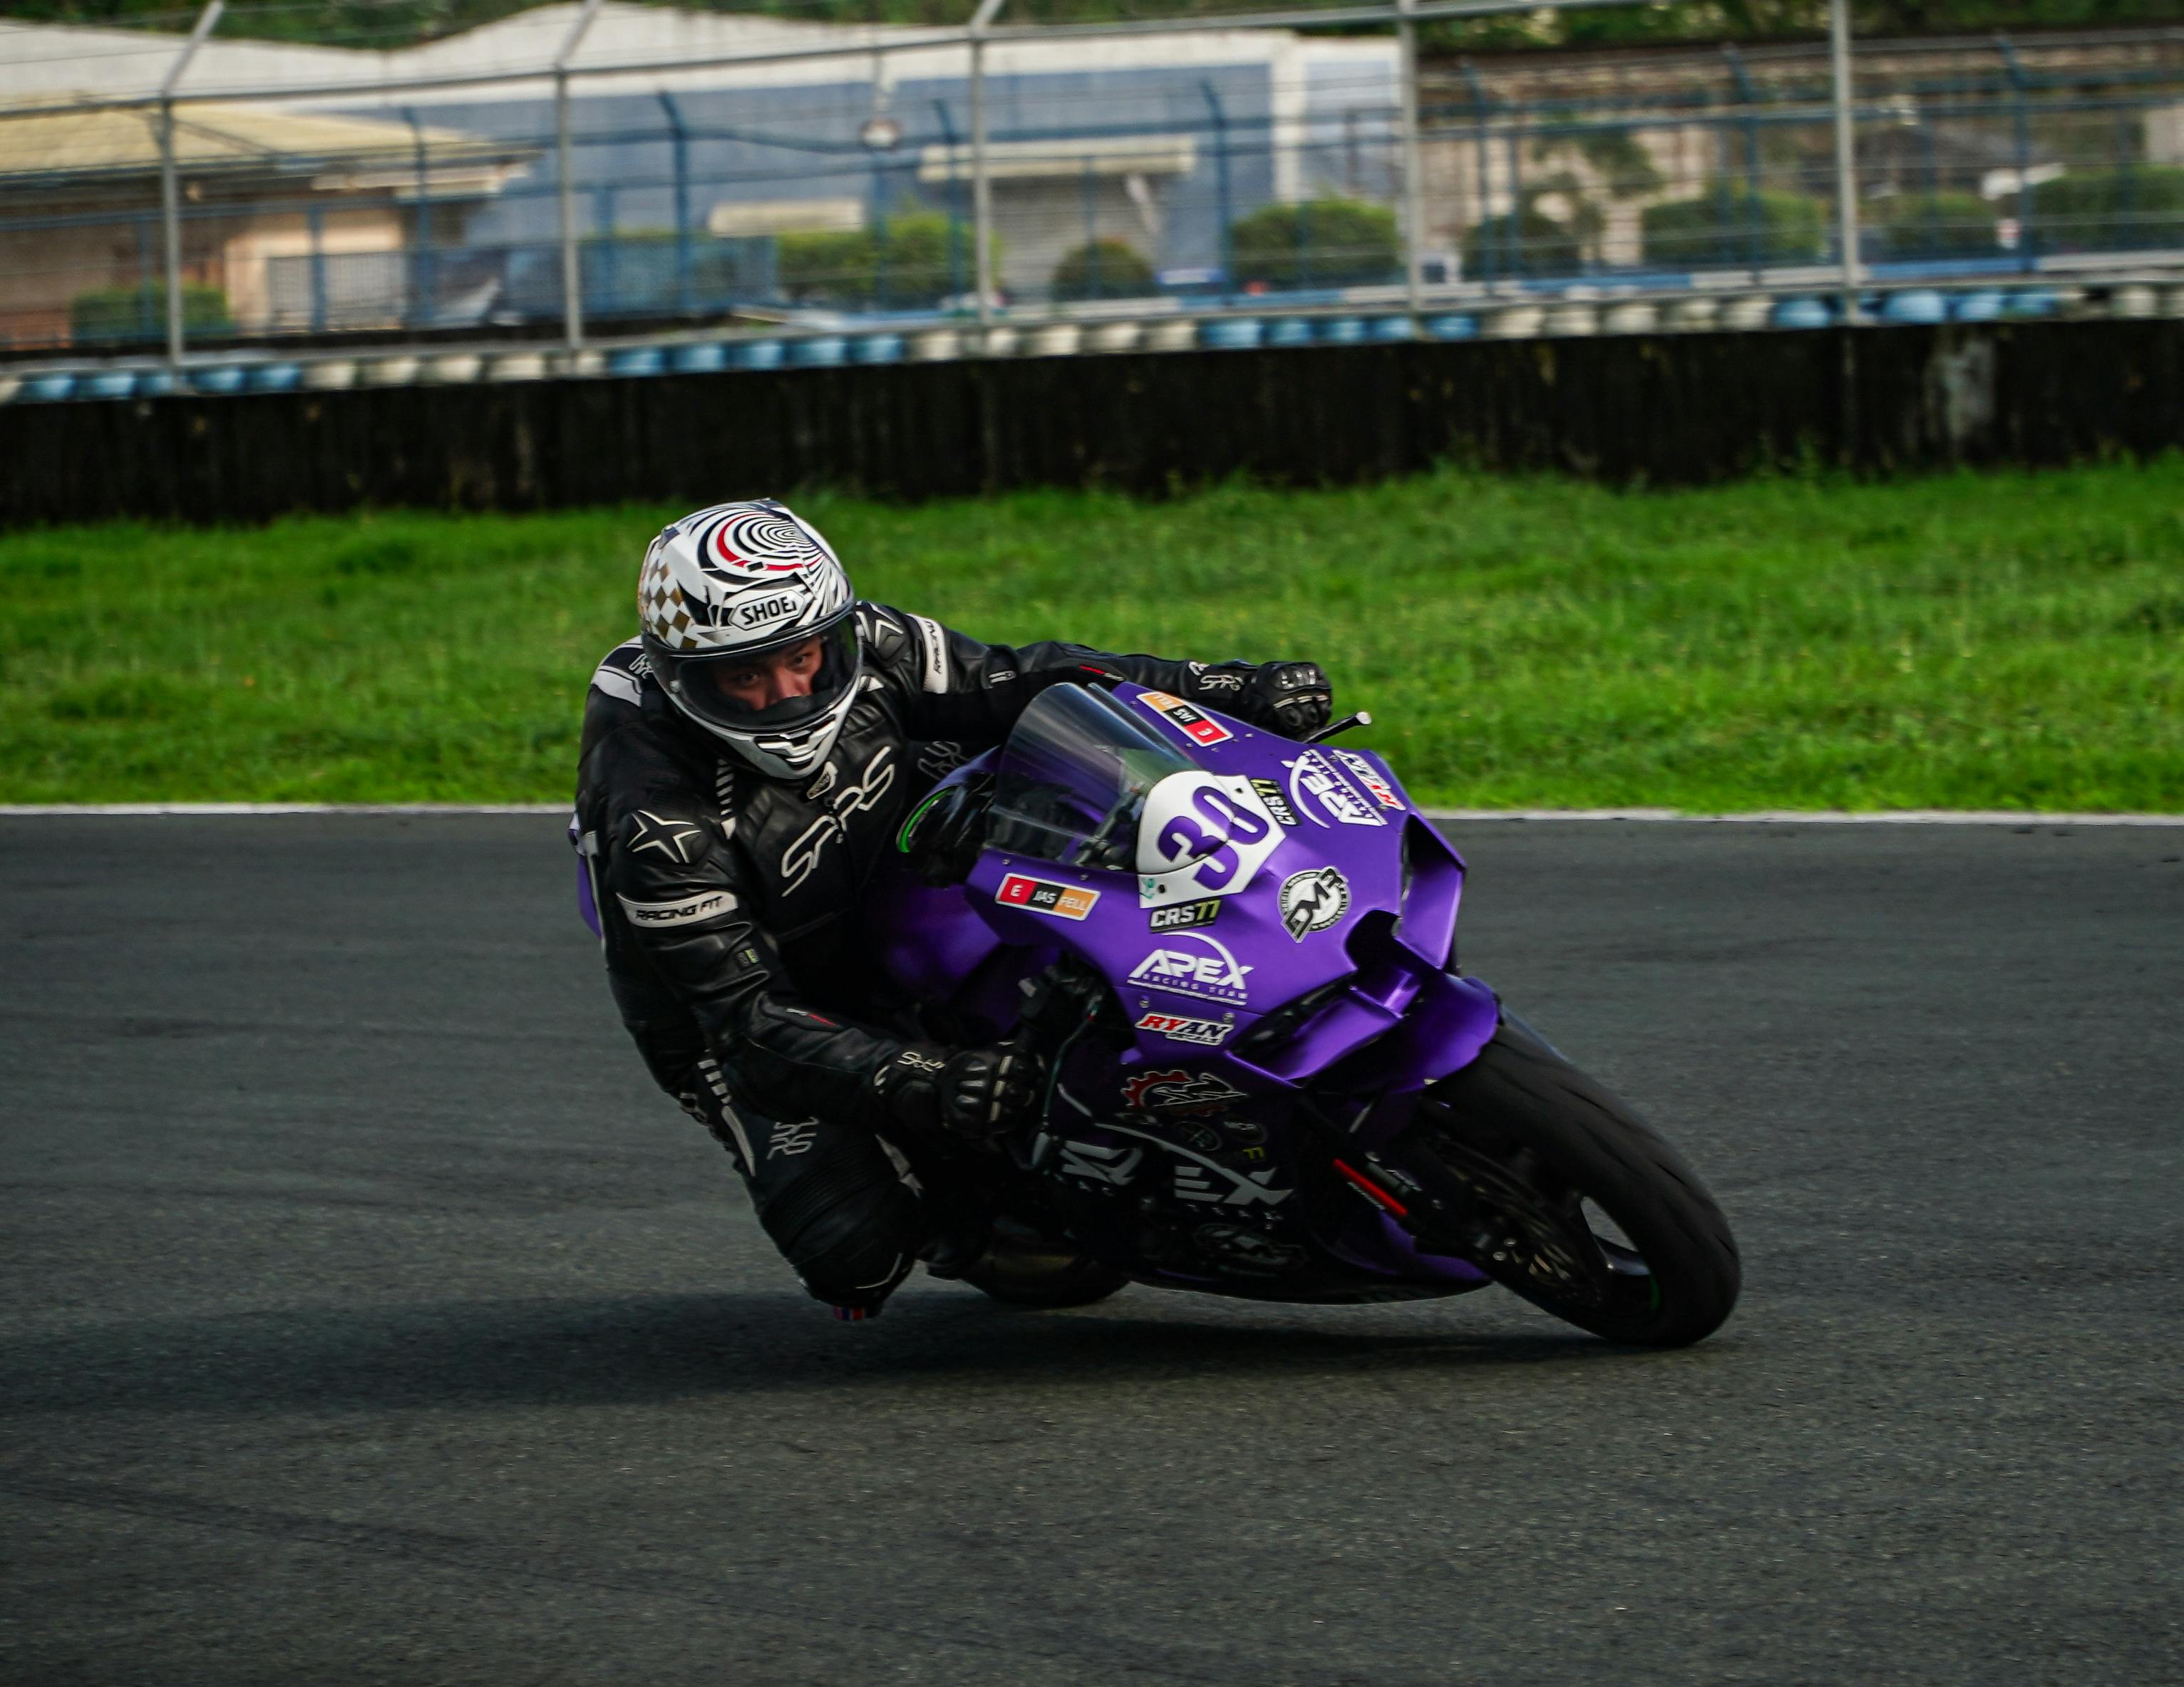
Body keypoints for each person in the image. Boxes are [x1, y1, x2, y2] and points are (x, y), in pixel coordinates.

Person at [573, 498, 1332, 1319]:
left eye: (804, 658)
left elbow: (1026, 677)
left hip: (890, 862)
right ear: (689, 680)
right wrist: (920, 1078)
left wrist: (1218, 688)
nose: (789, 692)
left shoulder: (873, 639)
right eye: (744, 678)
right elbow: (749, 1026)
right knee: (851, 1250)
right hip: (750, 997)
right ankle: (963, 1218)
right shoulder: (658, 821)